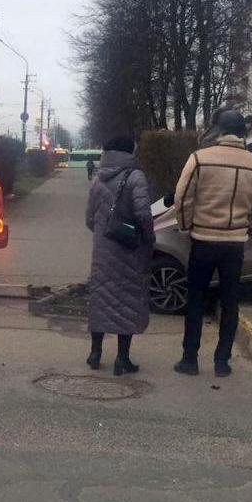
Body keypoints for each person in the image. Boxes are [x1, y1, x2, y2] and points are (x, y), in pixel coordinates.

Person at [172, 109, 252, 377]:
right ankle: (222, 362)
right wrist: (247, 229)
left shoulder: (199, 159)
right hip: (234, 245)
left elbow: (183, 198)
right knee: (230, 302)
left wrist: (187, 226)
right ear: (243, 132)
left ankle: (189, 360)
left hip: (203, 241)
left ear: (219, 131)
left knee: (195, 300)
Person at [84, 135, 156, 376]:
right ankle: (122, 359)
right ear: (130, 152)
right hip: (129, 250)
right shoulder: (136, 177)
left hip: (103, 252)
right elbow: (144, 215)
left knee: (101, 299)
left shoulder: (98, 179)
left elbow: (89, 219)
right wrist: (148, 238)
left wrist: (103, 234)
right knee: (127, 301)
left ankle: (95, 353)